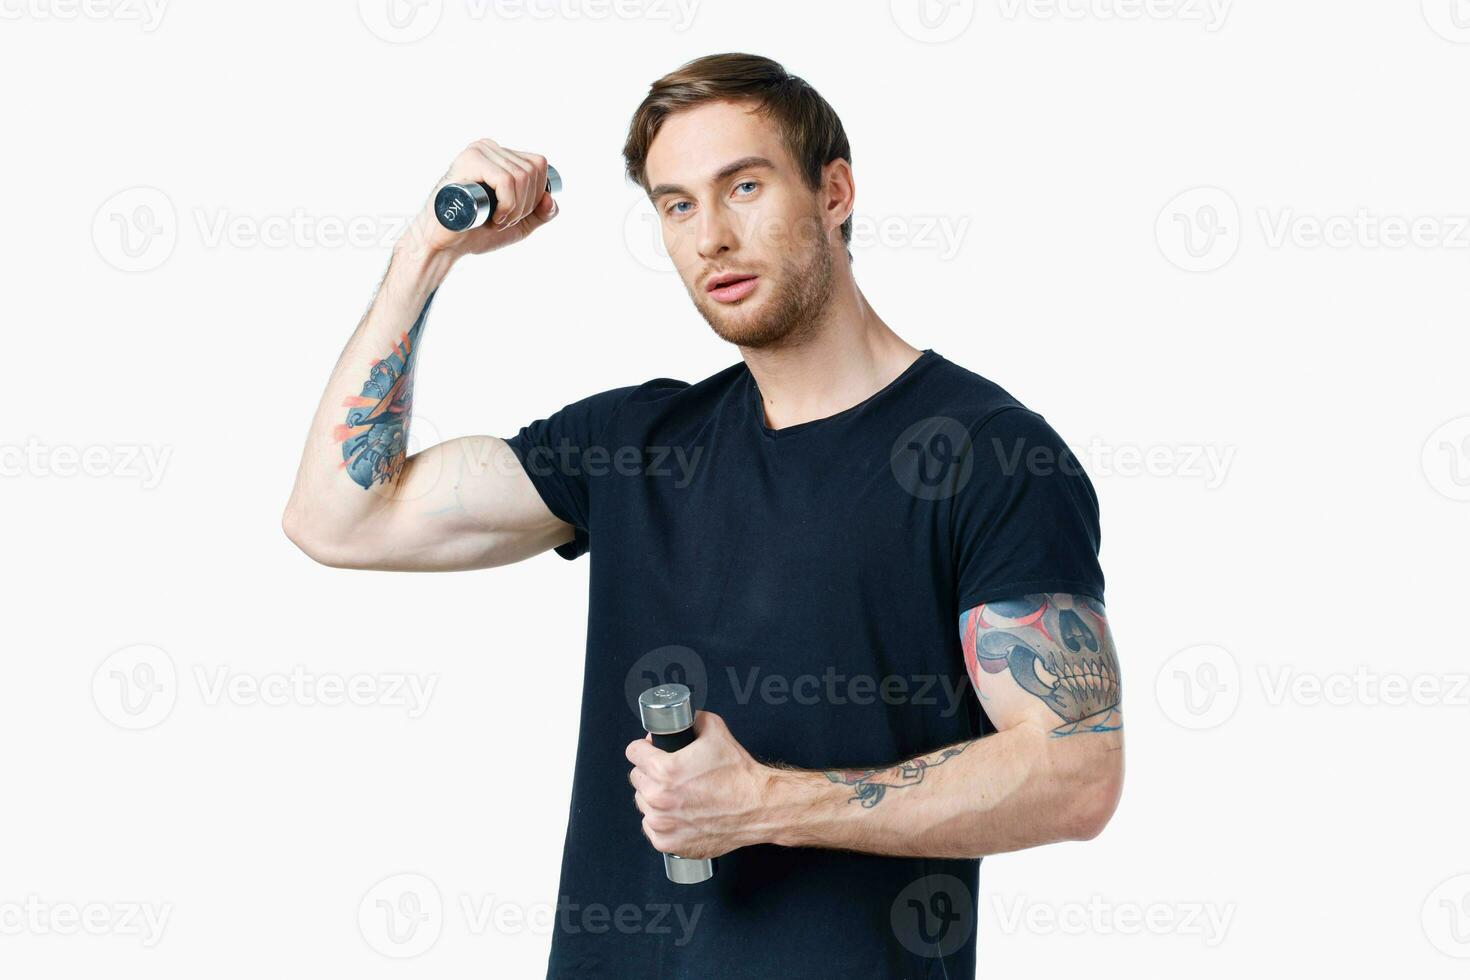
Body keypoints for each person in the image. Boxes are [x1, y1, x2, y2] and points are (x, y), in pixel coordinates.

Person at [283, 51, 1124, 979]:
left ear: (835, 190)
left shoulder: (993, 456)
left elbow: (1074, 773)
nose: (711, 236)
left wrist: (765, 803)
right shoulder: (635, 444)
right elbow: (338, 518)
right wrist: (426, 254)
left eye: (745, 186)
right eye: (677, 204)